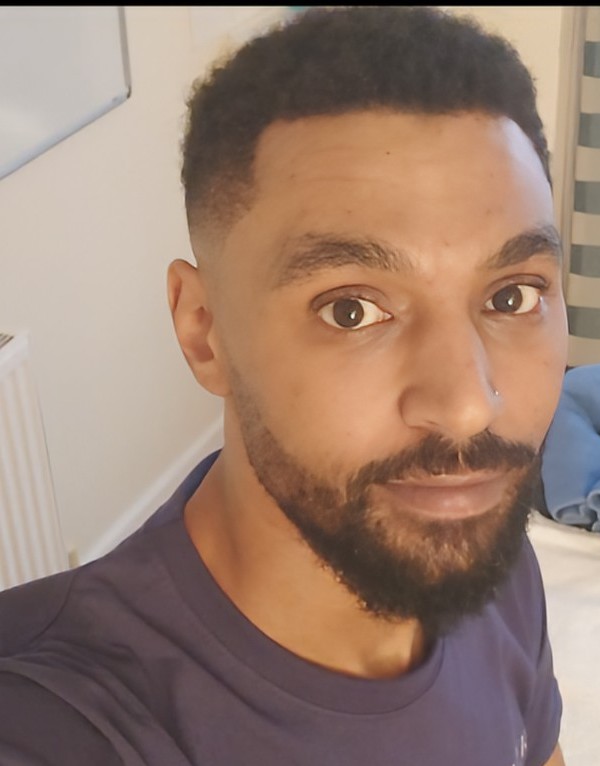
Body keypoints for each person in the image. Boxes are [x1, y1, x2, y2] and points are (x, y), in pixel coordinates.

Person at [0, 7, 568, 765]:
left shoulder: (482, 546)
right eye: (351, 309)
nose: (469, 408)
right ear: (204, 331)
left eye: (512, 296)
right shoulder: (63, 717)